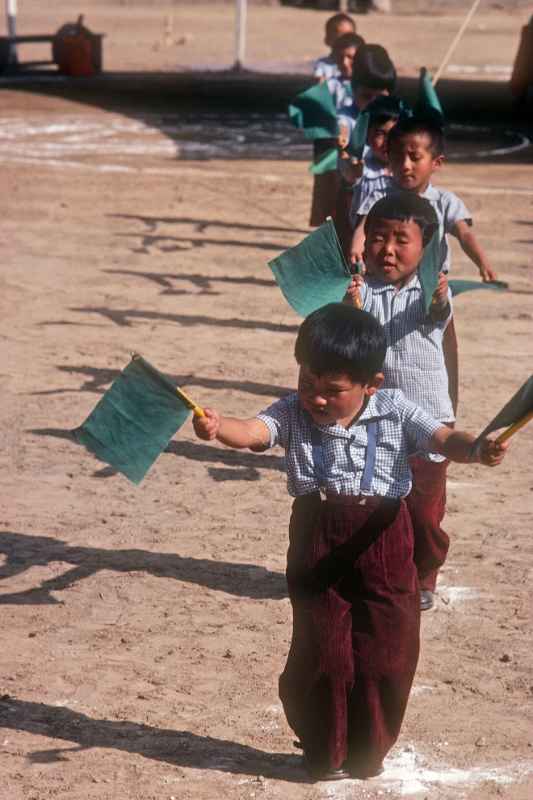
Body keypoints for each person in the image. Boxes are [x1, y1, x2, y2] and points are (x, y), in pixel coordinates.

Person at [193, 303, 507, 781]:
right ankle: (323, 751)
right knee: (322, 651)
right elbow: (253, 432)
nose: (316, 398)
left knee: (389, 649)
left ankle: (367, 752)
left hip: (386, 536)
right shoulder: (290, 410)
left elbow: (444, 439)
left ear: (371, 385)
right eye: (308, 383)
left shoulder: (396, 409)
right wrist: (218, 429)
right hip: (316, 535)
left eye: (332, 390)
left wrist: (478, 450)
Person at [345, 193, 456, 610]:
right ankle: (378, 570)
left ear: (425, 250)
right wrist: (349, 307)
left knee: (424, 512)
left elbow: (437, 311)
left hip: (427, 424)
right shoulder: (361, 291)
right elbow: (347, 340)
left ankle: (424, 572)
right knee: (376, 505)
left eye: (400, 239)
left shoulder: (427, 292)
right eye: (377, 237)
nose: (387, 249)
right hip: (375, 423)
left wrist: (439, 291)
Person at [350, 115, 497, 282]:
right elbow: (362, 228)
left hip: (430, 286)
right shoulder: (379, 196)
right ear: (389, 158)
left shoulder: (445, 202)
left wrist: (483, 263)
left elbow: (464, 234)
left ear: (437, 162)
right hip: (383, 281)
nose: (405, 165)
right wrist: (356, 249)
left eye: (415, 157)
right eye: (398, 156)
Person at [313, 12, 357, 83]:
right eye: (340, 39)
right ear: (327, 40)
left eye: (349, 37)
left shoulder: (360, 63)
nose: (345, 42)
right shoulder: (323, 65)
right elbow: (320, 85)